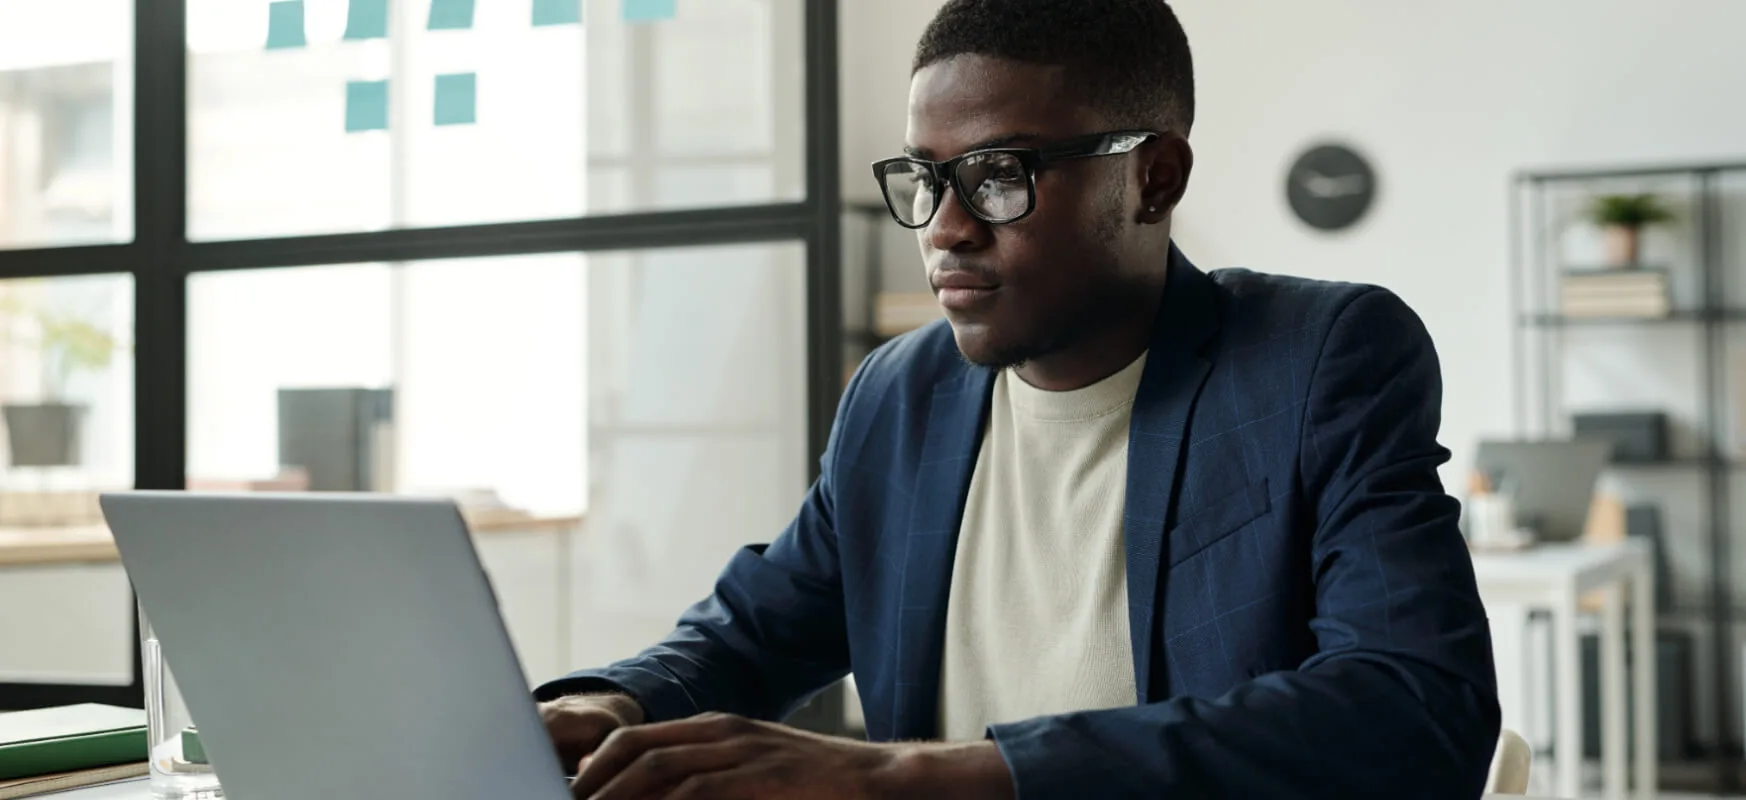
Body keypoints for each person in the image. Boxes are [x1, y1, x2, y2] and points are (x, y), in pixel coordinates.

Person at [537, 0, 1500, 797]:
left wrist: (901, 779)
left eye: (999, 175)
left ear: (1153, 178)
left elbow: (1415, 707)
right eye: (925, 177)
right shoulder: (896, 397)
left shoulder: (1314, 361)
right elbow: (753, 631)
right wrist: (617, 703)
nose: (945, 230)